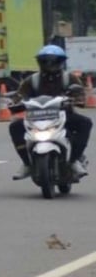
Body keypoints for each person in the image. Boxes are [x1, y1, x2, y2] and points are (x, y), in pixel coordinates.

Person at [9, 44, 92, 180]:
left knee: (85, 123)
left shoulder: (70, 78)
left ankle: (74, 160)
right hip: (35, 117)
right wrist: (14, 103)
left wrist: (76, 99)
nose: (50, 64)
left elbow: (80, 95)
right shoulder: (32, 80)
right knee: (15, 127)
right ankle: (26, 164)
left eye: (54, 61)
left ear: (61, 62)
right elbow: (19, 95)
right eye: (45, 61)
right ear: (40, 62)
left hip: (64, 116)